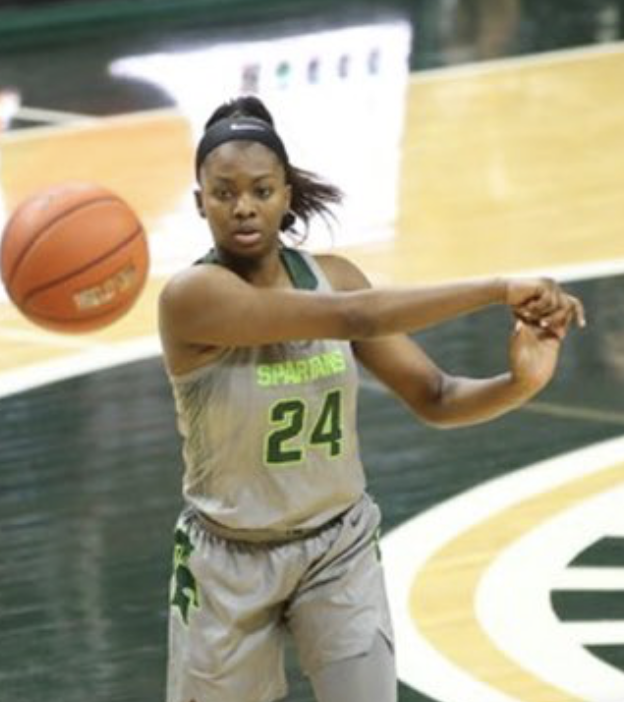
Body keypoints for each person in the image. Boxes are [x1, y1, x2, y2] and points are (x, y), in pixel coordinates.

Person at [157, 95, 584, 702]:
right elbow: (350, 315)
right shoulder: (192, 297)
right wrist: (497, 288)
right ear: (200, 201)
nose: (244, 206)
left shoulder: (337, 276)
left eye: (261, 189)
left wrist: (520, 383)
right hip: (229, 557)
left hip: (338, 545)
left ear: (285, 194)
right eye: (224, 192)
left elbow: (435, 395)